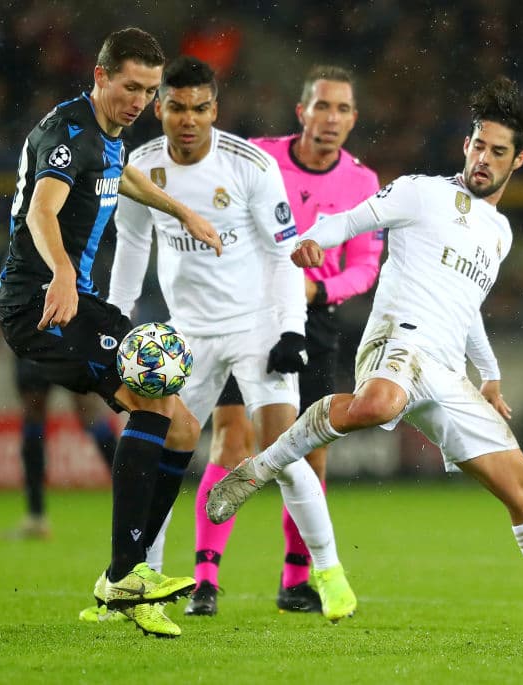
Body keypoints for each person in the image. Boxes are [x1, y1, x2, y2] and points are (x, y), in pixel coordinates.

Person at [208, 77, 523, 642]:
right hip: (397, 340)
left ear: (517, 160)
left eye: (498, 151)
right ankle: (261, 468)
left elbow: (466, 307)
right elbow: (347, 221)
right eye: (477, 144)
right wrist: (315, 241)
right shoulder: (419, 192)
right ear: (465, 144)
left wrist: (490, 377)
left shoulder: (500, 233)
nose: (483, 158)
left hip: (445, 370)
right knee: (380, 403)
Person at [105, 56, 356, 622]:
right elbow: (130, 248)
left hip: (256, 325)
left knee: (283, 451)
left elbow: (287, 254)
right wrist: (117, 325)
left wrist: (291, 330)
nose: (187, 119)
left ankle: (329, 572)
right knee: (155, 453)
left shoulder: (250, 165)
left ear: (214, 109)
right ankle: (134, 583)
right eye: (175, 107)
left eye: (199, 108)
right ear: (158, 108)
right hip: (186, 336)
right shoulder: (140, 165)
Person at [0, 27, 223, 639]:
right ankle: (126, 575)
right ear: (100, 77)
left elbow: (124, 177)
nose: (141, 102)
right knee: (153, 398)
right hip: (39, 305)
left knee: (182, 423)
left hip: (77, 303)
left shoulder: (110, 139)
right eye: (130, 87)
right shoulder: (67, 134)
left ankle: (126, 578)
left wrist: (183, 212)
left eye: (150, 92)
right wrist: (64, 274)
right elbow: (44, 209)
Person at [206, 65, 384, 613]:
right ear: (301, 111)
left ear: (353, 119)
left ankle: (294, 580)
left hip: (316, 319)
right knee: (232, 439)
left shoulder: (363, 183)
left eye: (343, 109)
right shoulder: (257, 156)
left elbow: (367, 265)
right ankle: (204, 580)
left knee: (310, 447)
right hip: (248, 314)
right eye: (323, 106)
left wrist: (320, 289)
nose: (332, 119)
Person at [0, 301, 120, 540]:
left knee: (84, 411)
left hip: (62, 330)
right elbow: (7, 285)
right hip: (38, 332)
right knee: (51, 414)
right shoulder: (22, 264)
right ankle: (36, 516)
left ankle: (131, 494)